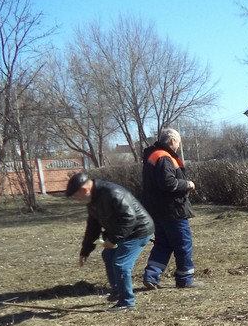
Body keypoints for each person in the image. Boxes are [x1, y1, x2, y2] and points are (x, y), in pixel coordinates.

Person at [66, 171, 155, 313]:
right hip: (123, 232)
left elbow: (129, 218)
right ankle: (118, 290)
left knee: (121, 263)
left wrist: (113, 239)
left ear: (84, 190)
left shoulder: (112, 193)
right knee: (108, 256)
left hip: (138, 231)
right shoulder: (93, 199)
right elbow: (93, 226)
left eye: (76, 197)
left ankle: (127, 301)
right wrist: (86, 250)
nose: (77, 200)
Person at [140, 127, 201, 289]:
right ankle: (185, 279)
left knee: (163, 244)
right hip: (172, 210)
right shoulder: (164, 157)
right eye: (178, 143)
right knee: (183, 243)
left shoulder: (153, 156)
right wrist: (187, 184)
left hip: (157, 210)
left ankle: (151, 276)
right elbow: (168, 183)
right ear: (172, 141)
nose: (179, 147)